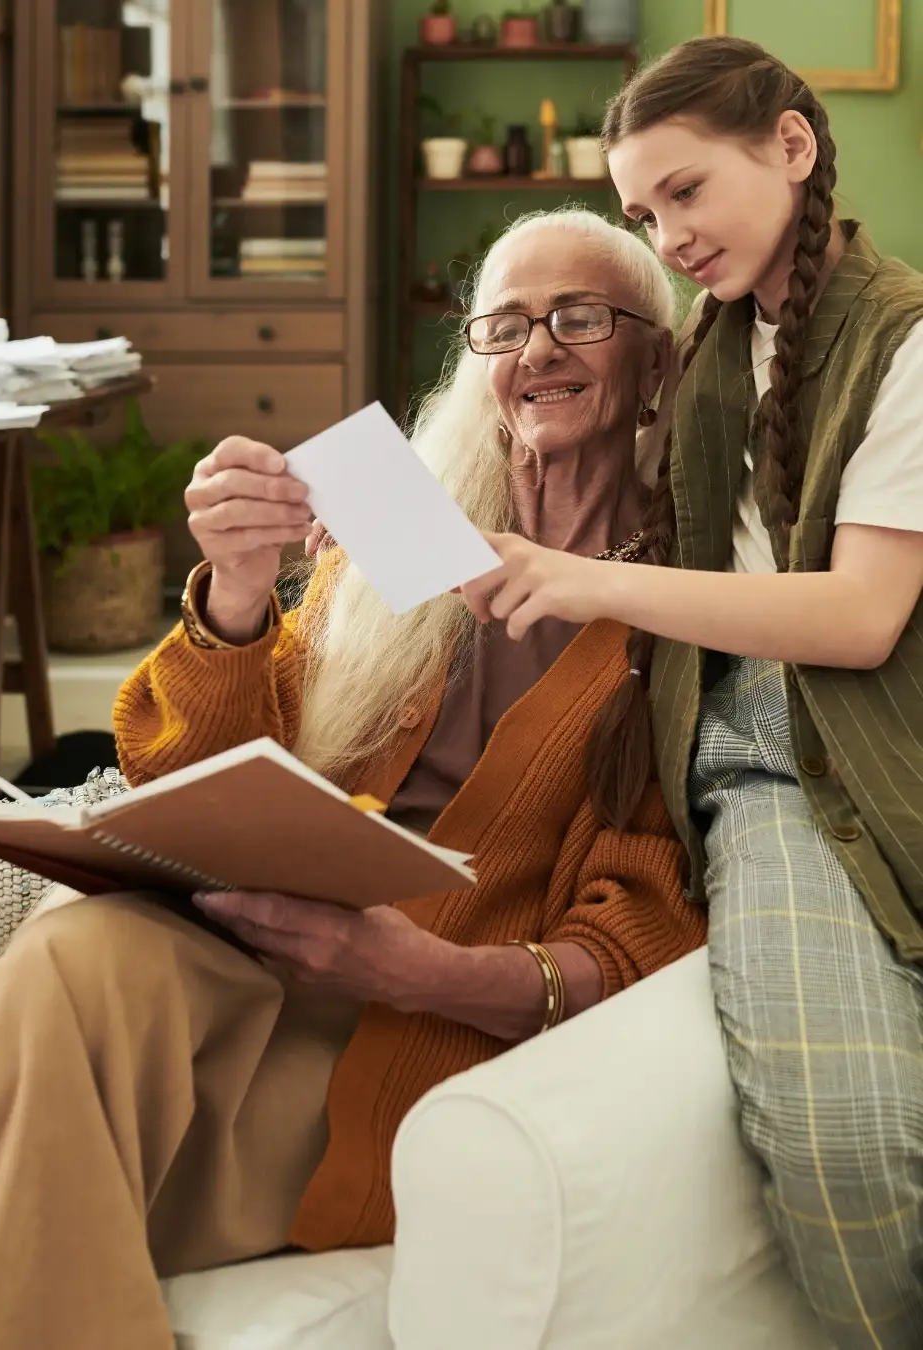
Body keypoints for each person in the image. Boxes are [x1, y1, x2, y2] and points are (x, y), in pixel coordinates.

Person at [0, 207, 706, 1350]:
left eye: (579, 319)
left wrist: (429, 968)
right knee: (70, 951)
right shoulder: (406, 531)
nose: (535, 350)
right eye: (502, 327)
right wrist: (238, 596)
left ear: (658, 364)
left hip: (400, 1035)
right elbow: (193, 768)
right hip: (246, 962)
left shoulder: (682, 617)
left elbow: (644, 930)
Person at [459, 37, 923, 1350]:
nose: (669, 236)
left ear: (790, 144)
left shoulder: (903, 344)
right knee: (846, 1134)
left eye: (684, 194)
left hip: (880, 735)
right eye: (644, 215)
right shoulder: (716, 346)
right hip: (762, 762)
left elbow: (859, 614)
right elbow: (547, 408)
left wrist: (587, 584)